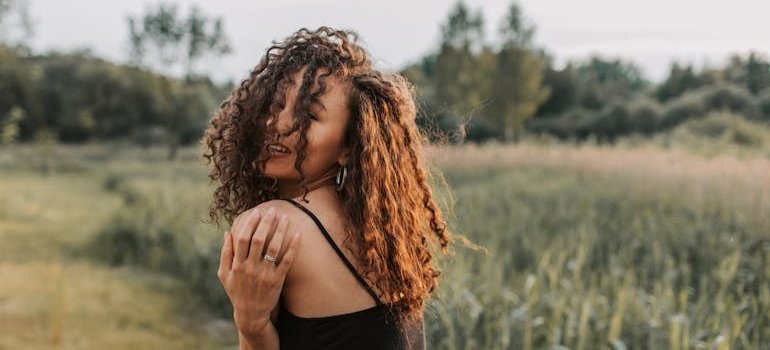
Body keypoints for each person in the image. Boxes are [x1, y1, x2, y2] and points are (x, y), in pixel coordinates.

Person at [202, 26, 452, 350]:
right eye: (276, 105)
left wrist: (250, 326)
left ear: (348, 147)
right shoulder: (385, 237)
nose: (277, 124)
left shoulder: (271, 224)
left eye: (308, 115)